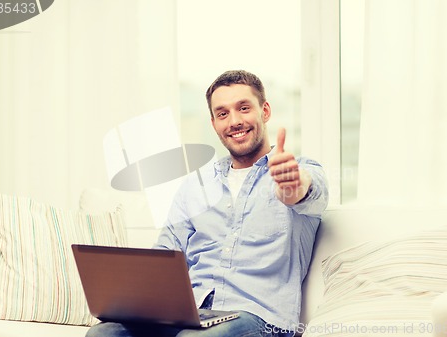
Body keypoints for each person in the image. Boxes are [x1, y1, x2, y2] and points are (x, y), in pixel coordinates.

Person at [86, 70, 328, 337]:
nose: (234, 121)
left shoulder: (298, 169)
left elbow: (306, 193)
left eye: (244, 108)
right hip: (192, 314)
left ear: (265, 111)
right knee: (103, 334)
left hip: (259, 317)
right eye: (223, 114)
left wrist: (293, 186)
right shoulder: (196, 186)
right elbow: (166, 254)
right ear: (214, 123)